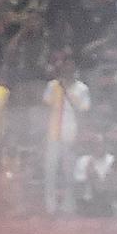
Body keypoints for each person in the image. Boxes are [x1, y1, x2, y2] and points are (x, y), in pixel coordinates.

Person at [43, 59, 90, 214]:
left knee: (69, 172)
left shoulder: (82, 89)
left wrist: (81, 135)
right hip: (53, 134)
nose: (67, 72)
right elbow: (46, 105)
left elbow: (84, 110)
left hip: (71, 134)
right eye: (64, 69)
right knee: (50, 170)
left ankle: (68, 205)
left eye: (70, 69)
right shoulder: (52, 86)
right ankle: (51, 206)